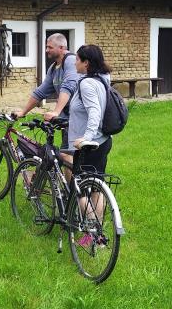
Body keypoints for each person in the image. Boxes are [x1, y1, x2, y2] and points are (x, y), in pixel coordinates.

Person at [68, 44, 112, 247]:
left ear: (86, 63)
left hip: (90, 145)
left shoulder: (86, 84)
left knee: (79, 188)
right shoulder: (103, 78)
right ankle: (97, 237)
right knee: (96, 188)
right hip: (103, 141)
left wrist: (86, 138)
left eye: (77, 59)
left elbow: (94, 112)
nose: (74, 62)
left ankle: (93, 234)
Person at [15, 33, 80, 148]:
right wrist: (23, 112)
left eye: (50, 47)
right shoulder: (53, 68)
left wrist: (56, 112)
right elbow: (40, 92)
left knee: (69, 155)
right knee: (66, 155)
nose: (46, 50)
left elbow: (68, 86)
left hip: (79, 117)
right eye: (46, 47)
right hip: (67, 117)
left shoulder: (70, 61)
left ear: (61, 48)